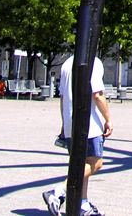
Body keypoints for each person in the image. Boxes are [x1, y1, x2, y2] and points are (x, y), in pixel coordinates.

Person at [42, 54, 113, 216]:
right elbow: (97, 94)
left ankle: (83, 203)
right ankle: (59, 191)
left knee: (82, 165)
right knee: (96, 163)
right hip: (89, 123)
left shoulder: (67, 64)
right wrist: (108, 119)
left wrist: (64, 123)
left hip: (70, 124)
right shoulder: (93, 62)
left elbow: (62, 98)